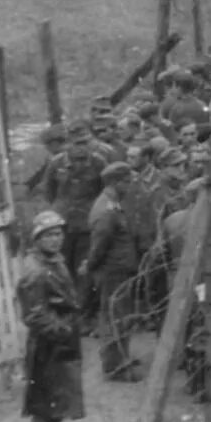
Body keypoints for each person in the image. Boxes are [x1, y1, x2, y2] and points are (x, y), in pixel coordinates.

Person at [17, 211, 89, 422]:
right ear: (36, 238)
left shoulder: (52, 260)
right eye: (48, 235)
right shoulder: (34, 270)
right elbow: (34, 314)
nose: (55, 240)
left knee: (59, 395)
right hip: (48, 345)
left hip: (60, 340)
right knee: (46, 398)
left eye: (58, 234)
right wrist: (61, 331)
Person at [83, 161, 142, 381]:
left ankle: (121, 359)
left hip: (119, 271)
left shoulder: (113, 204)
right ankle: (116, 367)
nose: (129, 186)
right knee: (115, 318)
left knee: (120, 317)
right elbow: (99, 245)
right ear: (115, 182)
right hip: (113, 272)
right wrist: (89, 266)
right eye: (126, 182)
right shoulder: (107, 210)